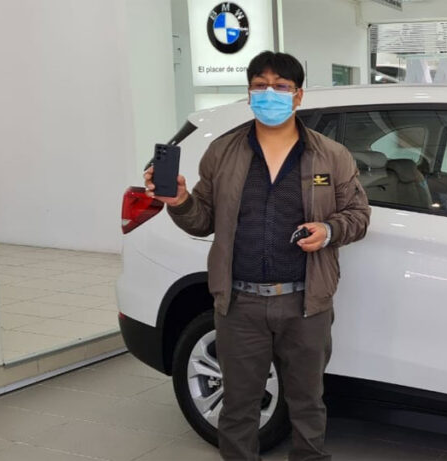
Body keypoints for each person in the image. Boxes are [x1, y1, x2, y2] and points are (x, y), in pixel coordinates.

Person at [144, 51, 370, 460]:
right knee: (238, 407)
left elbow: (358, 215)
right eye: (260, 86)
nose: (270, 94)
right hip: (240, 304)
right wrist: (179, 201)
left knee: (307, 404)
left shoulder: (331, 156)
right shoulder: (223, 152)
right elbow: (202, 220)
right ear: (249, 94)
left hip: (306, 302)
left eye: (281, 87)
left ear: (298, 96)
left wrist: (329, 230)